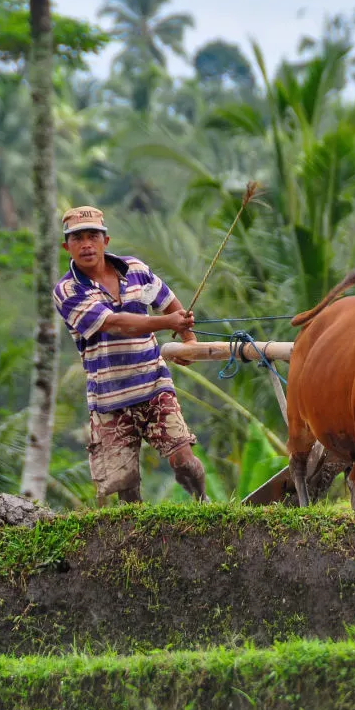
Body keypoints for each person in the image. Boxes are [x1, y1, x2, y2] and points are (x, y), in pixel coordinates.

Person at [52, 205, 207, 504]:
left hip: (153, 386)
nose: (86, 244)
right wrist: (167, 323)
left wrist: (189, 339)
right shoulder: (67, 290)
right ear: (66, 246)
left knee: (184, 461)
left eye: (92, 236)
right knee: (126, 486)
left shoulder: (135, 270)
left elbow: (168, 301)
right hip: (109, 401)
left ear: (105, 241)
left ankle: (204, 504)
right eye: (78, 238)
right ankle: (136, 537)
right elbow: (115, 324)